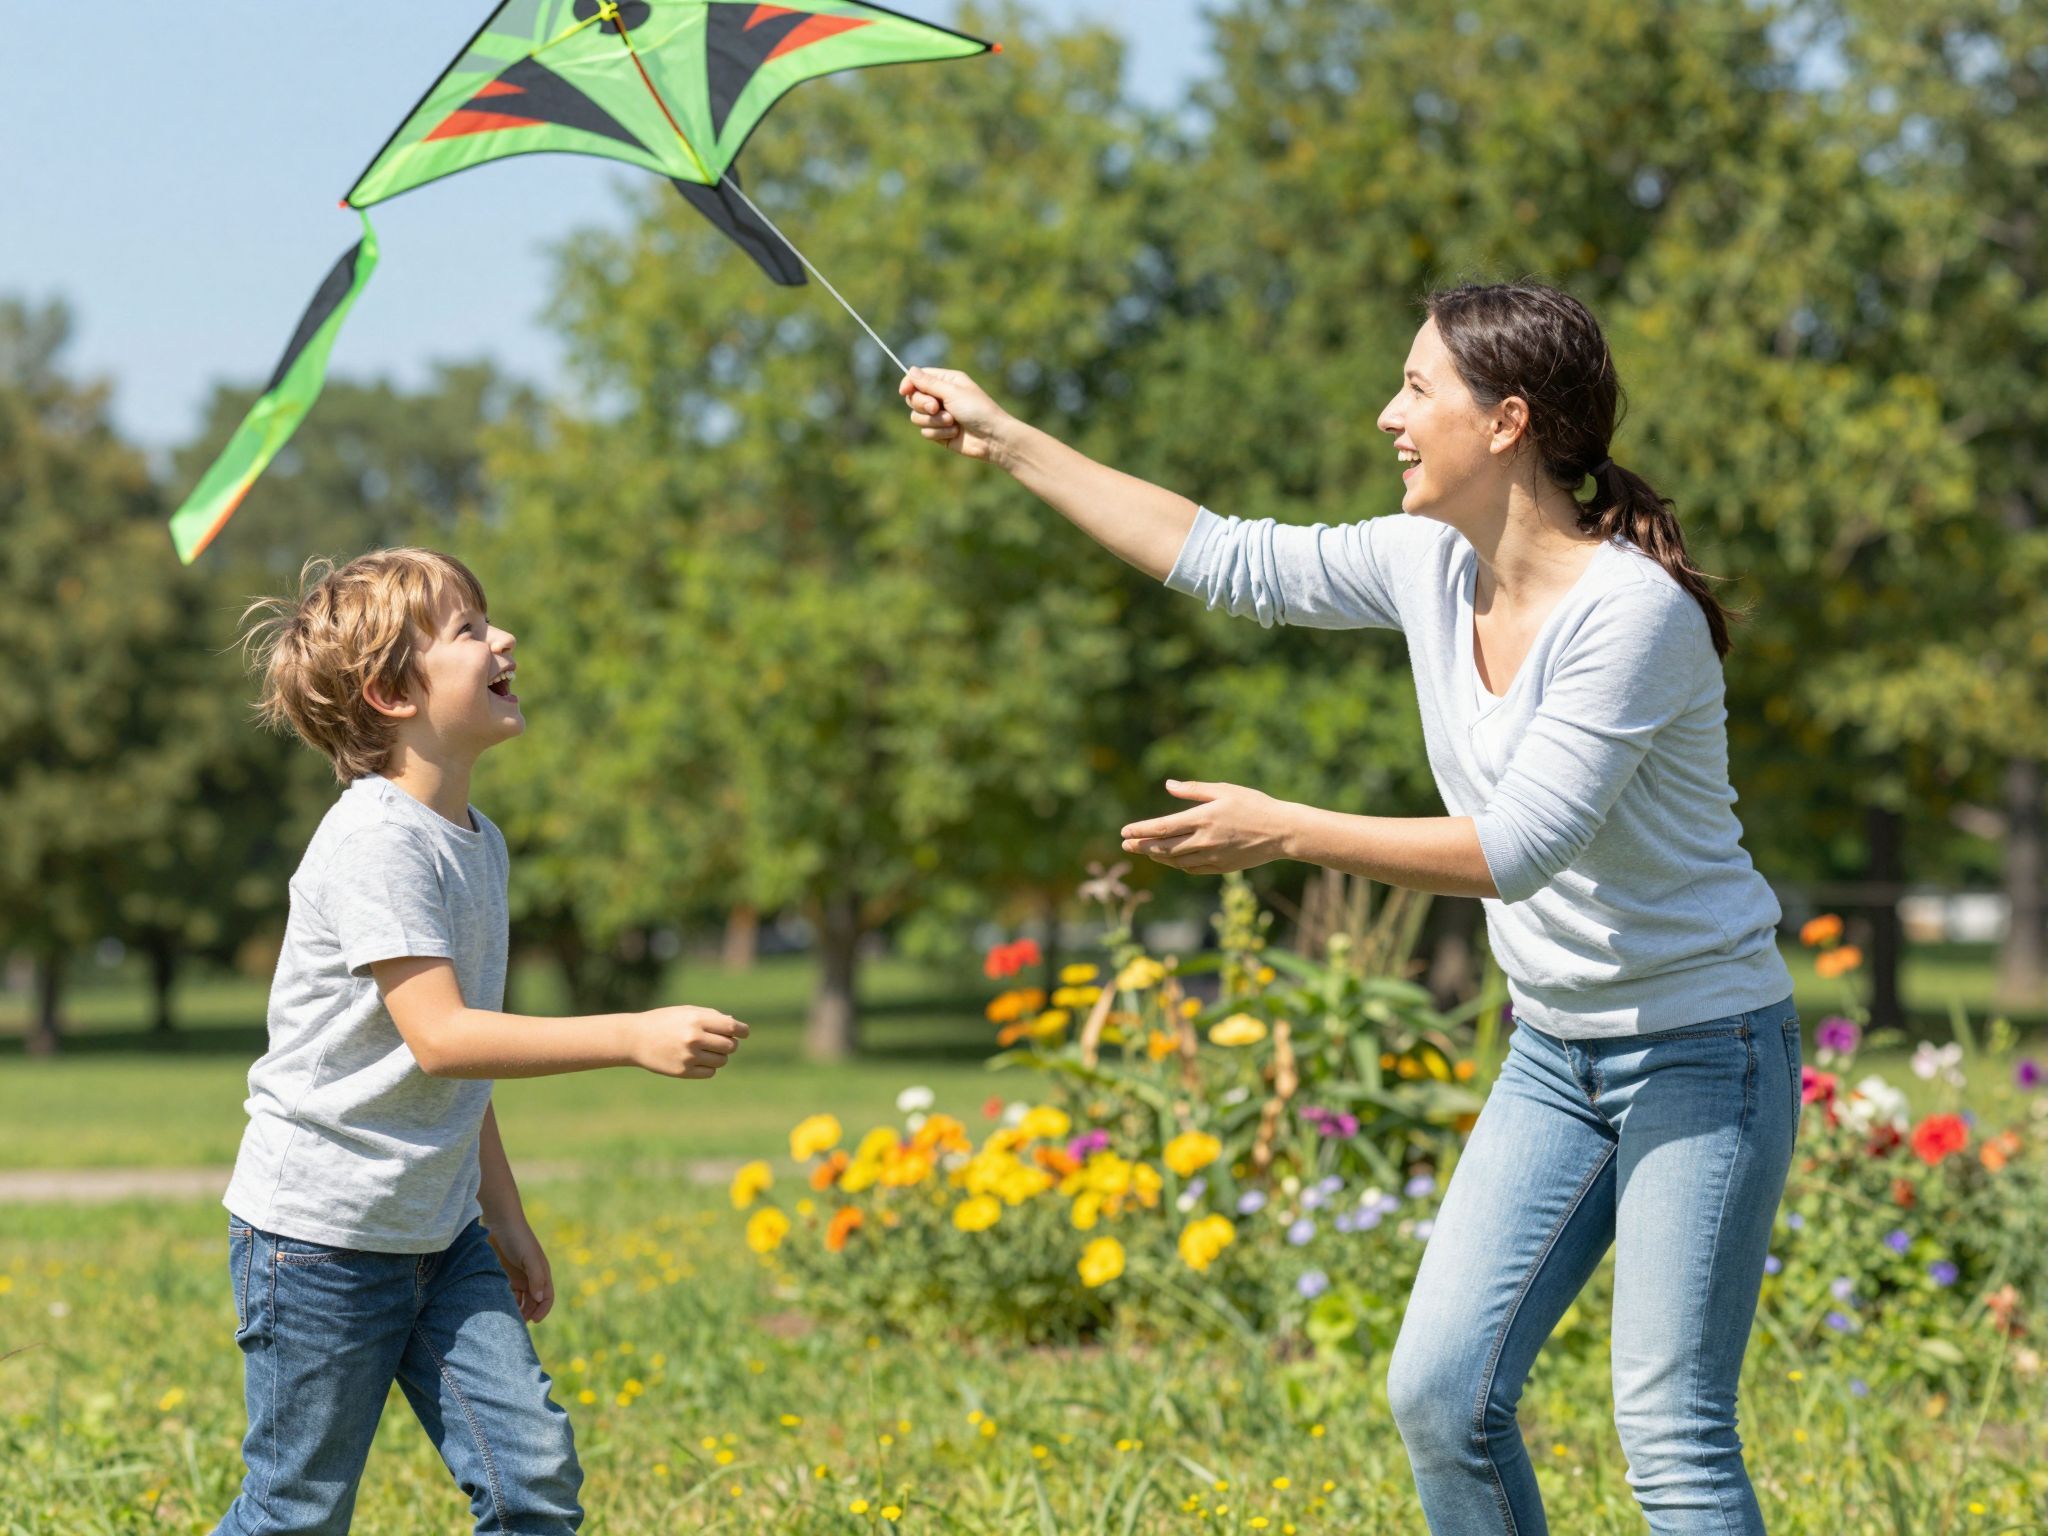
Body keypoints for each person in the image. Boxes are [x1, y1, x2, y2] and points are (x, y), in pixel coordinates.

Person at [899, 281, 1800, 1535]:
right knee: (1439, 1394)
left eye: (1416, 387)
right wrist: (1005, 438)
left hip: (1703, 1050)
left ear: (1505, 423)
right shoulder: (1427, 561)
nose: (1387, 414)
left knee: (1669, 1436)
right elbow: (1220, 554)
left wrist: (1283, 831)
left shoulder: (1627, 616)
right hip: (1555, 1053)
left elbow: (1522, 846)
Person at [214, 548, 750, 1535]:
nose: (502, 639)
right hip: (320, 1244)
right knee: (297, 1511)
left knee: (530, 1484)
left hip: (440, 1236)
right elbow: (445, 1039)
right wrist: (631, 1033)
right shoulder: (377, 840)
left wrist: (498, 1215)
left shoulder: (477, 841)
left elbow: (465, 1072)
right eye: (466, 630)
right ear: (390, 693)